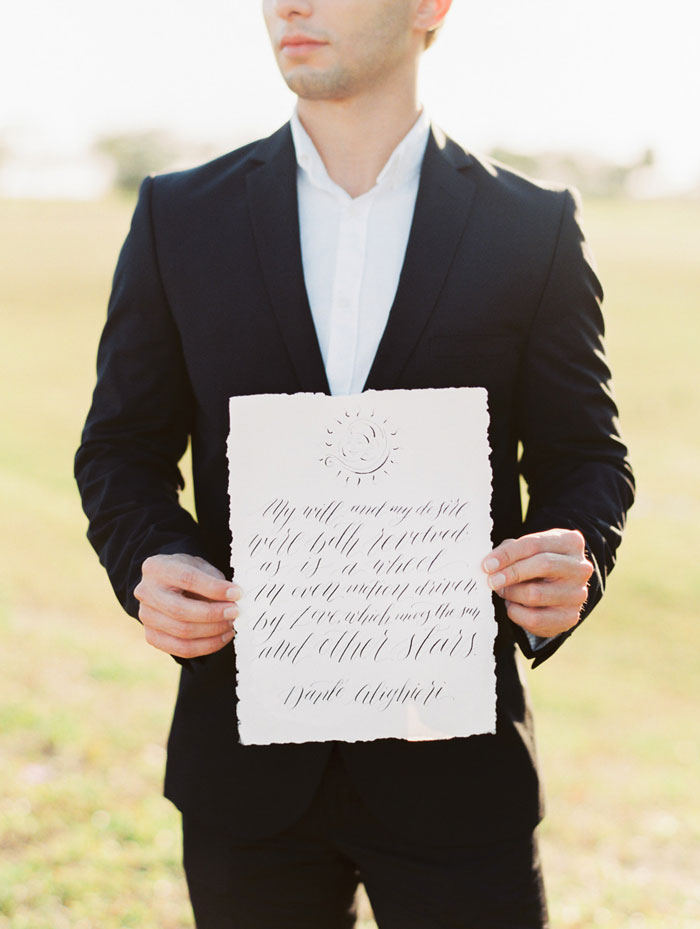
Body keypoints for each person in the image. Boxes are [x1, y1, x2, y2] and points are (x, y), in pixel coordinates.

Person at [75, 1, 635, 926]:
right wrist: (149, 558)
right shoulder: (179, 215)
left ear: (429, 6)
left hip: (459, 768)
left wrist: (574, 560)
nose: (287, 3)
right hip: (245, 775)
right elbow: (120, 448)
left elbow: (587, 457)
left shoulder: (531, 226)